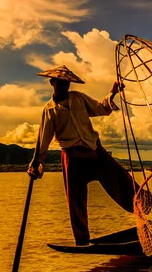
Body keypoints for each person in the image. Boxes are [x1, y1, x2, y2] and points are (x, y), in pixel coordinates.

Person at [28, 64, 138, 246]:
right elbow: (43, 141)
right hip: (73, 157)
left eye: (67, 83)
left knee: (122, 180)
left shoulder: (78, 99)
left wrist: (113, 92)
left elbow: (101, 108)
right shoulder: (49, 111)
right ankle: (82, 240)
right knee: (76, 201)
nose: (65, 86)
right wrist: (36, 164)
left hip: (95, 151)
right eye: (61, 83)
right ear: (52, 83)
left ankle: (147, 206)